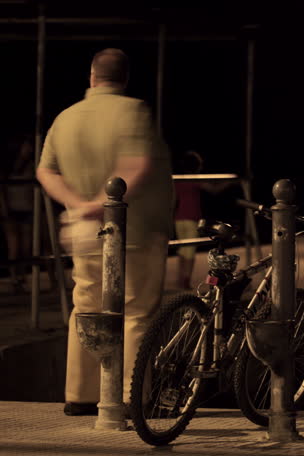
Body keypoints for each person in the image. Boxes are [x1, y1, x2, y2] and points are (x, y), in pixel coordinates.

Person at [35, 48, 174, 416]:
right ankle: (130, 398)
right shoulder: (134, 112)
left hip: (83, 229)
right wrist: (102, 204)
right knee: (135, 311)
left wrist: (79, 206)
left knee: (86, 306)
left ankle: (80, 395)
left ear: (92, 76)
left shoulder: (66, 117)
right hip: (135, 230)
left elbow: (45, 171)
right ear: (124, 78)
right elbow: (137, 165)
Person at [173, 150, 234, 290]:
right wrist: (230, 182)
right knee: (190, 250)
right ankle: (185, 280)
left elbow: (174, 200)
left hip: (179, 218)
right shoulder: (194, 179)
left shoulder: (178, 180)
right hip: (192, 218)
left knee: (182, 249)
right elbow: (214, 189)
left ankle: (180, 278)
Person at [1, 134, 35, 293]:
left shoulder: (31, 165)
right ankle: (14, 278)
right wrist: (4, 209)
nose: (30, 149)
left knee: (26, 248)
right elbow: (2, 191)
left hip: (27, 209)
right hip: (11, 211)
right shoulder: (7, 167)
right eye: (26, 146)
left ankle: (22, 277)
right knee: (14, 247)